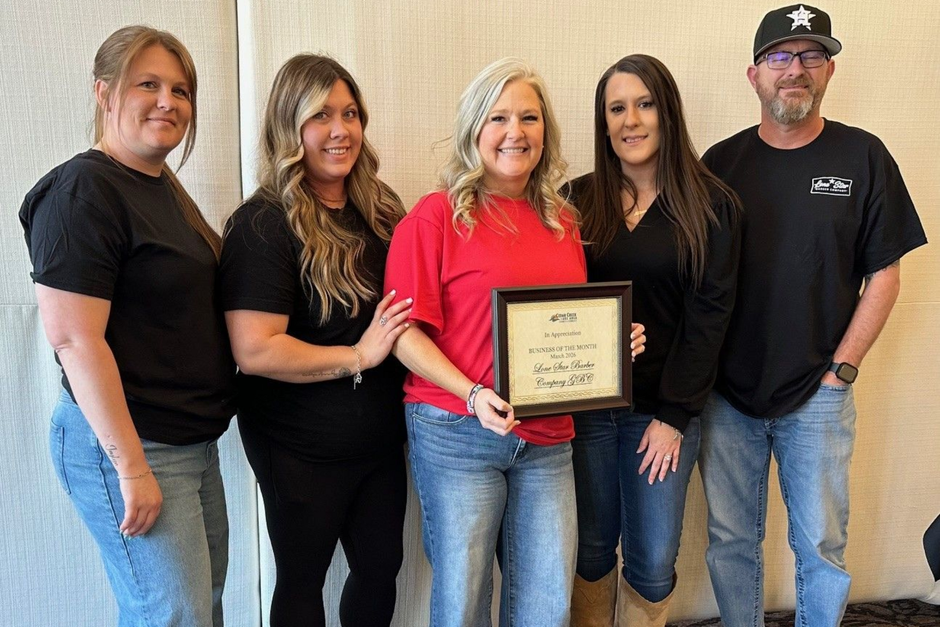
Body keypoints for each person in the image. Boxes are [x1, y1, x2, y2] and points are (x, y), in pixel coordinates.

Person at [383, 57, 646, 627]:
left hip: (548, 438)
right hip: (458, 432)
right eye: (498, 117)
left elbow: (561, 326)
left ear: (545, 130)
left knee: (547, 604)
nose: (515, 132)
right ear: (474, 128)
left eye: (529, 117)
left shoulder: (562, 222)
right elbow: (402, 335)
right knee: (463, 601)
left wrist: (607, 346)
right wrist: (474, 393)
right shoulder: (434, 218)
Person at [698, 6, 928, 627]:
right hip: (726, 395)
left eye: (810, 56)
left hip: (820, 396)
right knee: (730, 543)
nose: (794, 71)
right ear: (753, 74)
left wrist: (842, 371)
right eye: (780, 57)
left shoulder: (864, 156)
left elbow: (885, 272)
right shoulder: (718, 166)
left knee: (821, 546)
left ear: (828, 71)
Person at [19, 25, 236, 627]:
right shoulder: (82, 192)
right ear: (104, 93)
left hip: (188, 443)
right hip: (131, 445)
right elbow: (73, 339)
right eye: (149, 84)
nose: (169, 101)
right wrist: (131, 468)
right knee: (172, 616)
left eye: (181, 89)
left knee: (198, 609)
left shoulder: (161, 188)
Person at [218, 54, 411, 627]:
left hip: (378, 438)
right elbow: (255, 349)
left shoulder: (382, 210)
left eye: (350, 114)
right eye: (321, 115)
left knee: (381, 570)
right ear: (289, 125)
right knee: (303, 579)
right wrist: (359, 355)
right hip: (297, 444)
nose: (340, 130)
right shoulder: (263, 223)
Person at [566, 55, 741, 627]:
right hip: (587, 410)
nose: (631, 120)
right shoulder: (574, 201)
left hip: (661, 416)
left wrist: (674, 415)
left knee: (653, 558)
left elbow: (710, 318)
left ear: (667, 112)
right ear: (603, 121)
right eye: (617, 108)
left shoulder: (711, 205)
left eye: (644, 104)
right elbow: (555, 306)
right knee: (591, 549)